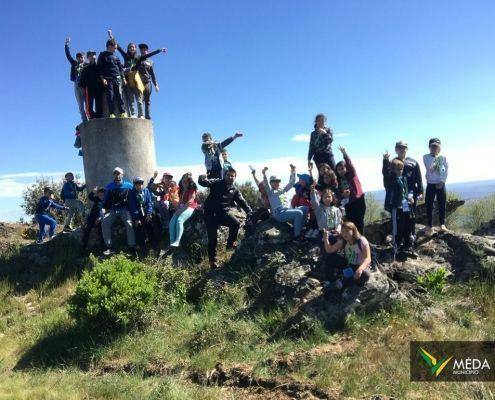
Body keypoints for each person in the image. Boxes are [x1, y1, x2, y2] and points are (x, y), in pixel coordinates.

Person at [199, 168, 252, 269]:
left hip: (223, 213)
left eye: (232, 176)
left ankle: (230, 245)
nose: (230, 177)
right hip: (210, 213)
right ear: (225, 175)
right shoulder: (217, 182)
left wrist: (250, 212)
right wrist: (202, 176)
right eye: (228, 175)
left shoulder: (235, 189)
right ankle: (212, 261)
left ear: (235, 177)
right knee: (213, 237)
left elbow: (242, 202)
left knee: (236, 224)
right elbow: (203, 182)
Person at [262, 165, 308, 240]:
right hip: (279, 214)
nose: (276, 183)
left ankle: (299, 229)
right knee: (298, 213)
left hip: (287, 210)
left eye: (278, 181)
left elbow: (292, 183)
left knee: (305, 208)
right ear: (271, 183)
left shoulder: (282, 190)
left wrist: (293, 171)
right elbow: (266, 184)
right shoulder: (270, 192)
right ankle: (297, 237)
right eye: (274, 181)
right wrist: (264, 174)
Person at [382, 154, 415, 258]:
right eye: (397, 169)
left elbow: (406, 191)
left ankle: (407, 245)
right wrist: (385, 160)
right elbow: (385, 173)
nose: (399, 171)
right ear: (392, 169)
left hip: (405, 206)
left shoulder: (403, 178)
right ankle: (396, 247)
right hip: (396, 207)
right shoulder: (390, 180)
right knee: (397, 228)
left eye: (401, 169)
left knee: (407, 224)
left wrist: (410, 197)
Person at [323, 221, 372, 287]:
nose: (344, 234)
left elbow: (368, 258)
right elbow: (329, 250)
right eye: (342, 231)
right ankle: (331, 280)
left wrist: (360, 269)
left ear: (353, 231)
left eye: (347, 231)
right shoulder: (343, 240)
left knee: (365, 274)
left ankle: (342, 282)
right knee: (331, 257)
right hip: (348, 264)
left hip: (359, 266)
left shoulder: (362, 241)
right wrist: (326, 238)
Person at [101, 167, 136, 255]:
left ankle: (131, 246)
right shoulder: (109, 186)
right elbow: (105, 200)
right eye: (115, 174)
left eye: (119, 174)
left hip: (125, 210)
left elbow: (132, 200)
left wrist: (134, 214)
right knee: (105, 222)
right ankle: (109, 247)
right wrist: (103, 209)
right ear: (113, 175)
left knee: (129, 224)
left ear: (122, 175)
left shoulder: (129, 186)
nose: (117, 176)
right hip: (113, 210)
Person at [393, 141, 423, 238]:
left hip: (411, 195)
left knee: (411, 215)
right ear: (396, 149)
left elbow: (419, 178)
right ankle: (400, 238)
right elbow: (388, 179)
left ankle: (411, 235)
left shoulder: (413, 162)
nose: (402, 150)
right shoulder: (393, 163)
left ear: (407, 149)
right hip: (399, 195)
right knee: (400, 217)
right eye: (400, 148)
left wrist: (421, 191)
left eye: (404, 148)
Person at [335, 146, 366, 234]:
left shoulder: (352, 174)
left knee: (359, 222)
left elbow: (349, 164)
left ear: (346, 168)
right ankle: (354, 242)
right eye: (339, 169)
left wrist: (344, 153)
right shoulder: (338, 181)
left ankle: (361, 242)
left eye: (342, 168)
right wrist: (343, 195)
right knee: (351, 224)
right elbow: (339, 194)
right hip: (348, 204)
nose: (341, 171)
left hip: (358, 200)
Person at [133, 43, 167, 119]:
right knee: (140, 98)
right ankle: (140, 114)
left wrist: (156, 85)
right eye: (141, 50)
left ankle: (147, 115)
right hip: (139, 81)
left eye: (145, 50)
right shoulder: (137, 58)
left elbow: (152, 74)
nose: (143, 51)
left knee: (147, 99)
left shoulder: (150, 62)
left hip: (147, 81)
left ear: (147, 51)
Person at [423, 138, 449, 235]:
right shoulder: (426, 157)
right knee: (429, 205)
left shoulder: (443, 157)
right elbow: (431, 168)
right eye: (432, 146)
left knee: (442, 204)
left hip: (441, 184)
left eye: (436, 146)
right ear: (429, 147)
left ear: (439, 147)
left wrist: (442, 181)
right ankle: (430, 226)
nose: (434, 148)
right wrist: (439, 159)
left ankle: (442, 224)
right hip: (431, 183)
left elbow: (445, 170)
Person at [168, 173, 199, 249]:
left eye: (186, 181)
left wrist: (180, 210)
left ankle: (177, 241)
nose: (184, 183)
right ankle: (172, 242)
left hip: (191, 207)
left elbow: (190, 201)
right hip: (182, 207)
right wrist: (178, 209)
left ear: (189, 182)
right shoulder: (181, 190)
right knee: (172, 222)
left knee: (179, 220)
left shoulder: (192, 189)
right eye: (183, 181)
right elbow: (180, 202)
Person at [97, 39, 126, 118]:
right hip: (108, 79)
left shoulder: (116, 57)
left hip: (117, 78)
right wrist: (103, 79)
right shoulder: (102, 55)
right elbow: (99, 68)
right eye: (115, 48)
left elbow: (120, 68)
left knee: (120, 95)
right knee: (110, 95)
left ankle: (123, 112)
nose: (115, 50)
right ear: (109, 46)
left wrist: (123, 78)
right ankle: (111, 113)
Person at [128, 177, 155, 253]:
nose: (139, 186)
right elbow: (132, 206)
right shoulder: (132, 193)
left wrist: (149, 213)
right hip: (138, 212)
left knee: (150, 222)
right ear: (134, 185)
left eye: (140, 184)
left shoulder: (146, 191)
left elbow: (149, 203)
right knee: (138, 226)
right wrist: (136, 218)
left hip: (146, 211)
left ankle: (152, 241)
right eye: (137, 184)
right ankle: (141, 245)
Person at [64, 37, 87, 122]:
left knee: (87, 102)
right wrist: (66, 45)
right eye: (78, 57)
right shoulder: (74, 63)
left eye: (81, 57)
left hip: (85, 85)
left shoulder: (86, 65)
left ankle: (90, 116)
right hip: (77, 84)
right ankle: (84, 119)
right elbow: (68, 56)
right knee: (80, 104)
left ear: (84, 58)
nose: (79, 58)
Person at [291, 173, 317, 239]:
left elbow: (313, 181)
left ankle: (311, 223)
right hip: (300, 204)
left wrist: (311, 172)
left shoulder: (310, 187)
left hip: (309, 205)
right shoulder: (298, 186)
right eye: (300, 179)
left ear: (306, 181)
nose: (300, 181)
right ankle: (292, 214)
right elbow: (292, 183)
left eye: (302, 180)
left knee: (311, 208)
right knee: (297, 197)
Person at [245, 166, 271, 233]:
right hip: (266, 214)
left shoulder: (270, 195)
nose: (261, 190)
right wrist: (253, 174)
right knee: (253, 213)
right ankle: (249, 223)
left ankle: (251, 224)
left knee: (262, 210)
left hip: (271, 214)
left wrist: (264, 173)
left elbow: (268, 207)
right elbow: (257, 182)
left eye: (263, 188)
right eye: (260, 189)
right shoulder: (263, 195)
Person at [79, 50, 103, 119]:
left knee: (99, 103)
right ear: (88, 58)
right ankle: (91, 116)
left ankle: (99, 116)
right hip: (89, 88)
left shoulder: (99, 66)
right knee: (89, 103)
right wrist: (83, 87)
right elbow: (82, 82)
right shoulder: (85, 69)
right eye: (90, 55)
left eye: (94, 55)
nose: (92, 56)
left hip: (99, 87)